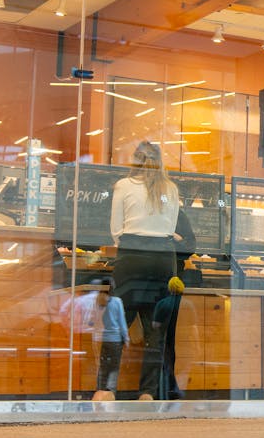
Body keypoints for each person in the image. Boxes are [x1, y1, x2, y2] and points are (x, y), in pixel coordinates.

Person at [109, 140, 182, 401]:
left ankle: (106, 389)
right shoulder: (171, 189)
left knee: (117, 324)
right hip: (162, 259)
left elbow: (116, 230)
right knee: (155, 331)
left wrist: (131, 246)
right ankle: (148, 393)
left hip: (131, 257)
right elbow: (170, 226)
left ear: (135, 160)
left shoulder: (123, 186)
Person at [76, 275, 127, 402]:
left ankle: (99, 392)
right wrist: (126, 338)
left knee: (102, 367)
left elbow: (91, 322)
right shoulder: (117, 301)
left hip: (98, 339)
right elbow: (122, 323)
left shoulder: (97, 301)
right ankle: (110, 395)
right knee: (114, 368)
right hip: (114, 339)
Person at [148, 275, 186, 400]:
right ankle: (178, 389)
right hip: (183, 341)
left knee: (167, 366)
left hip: (166, 340)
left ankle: (168, 390)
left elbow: (155, 325)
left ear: (170, 288)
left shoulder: (163, 303)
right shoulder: (187, 303)